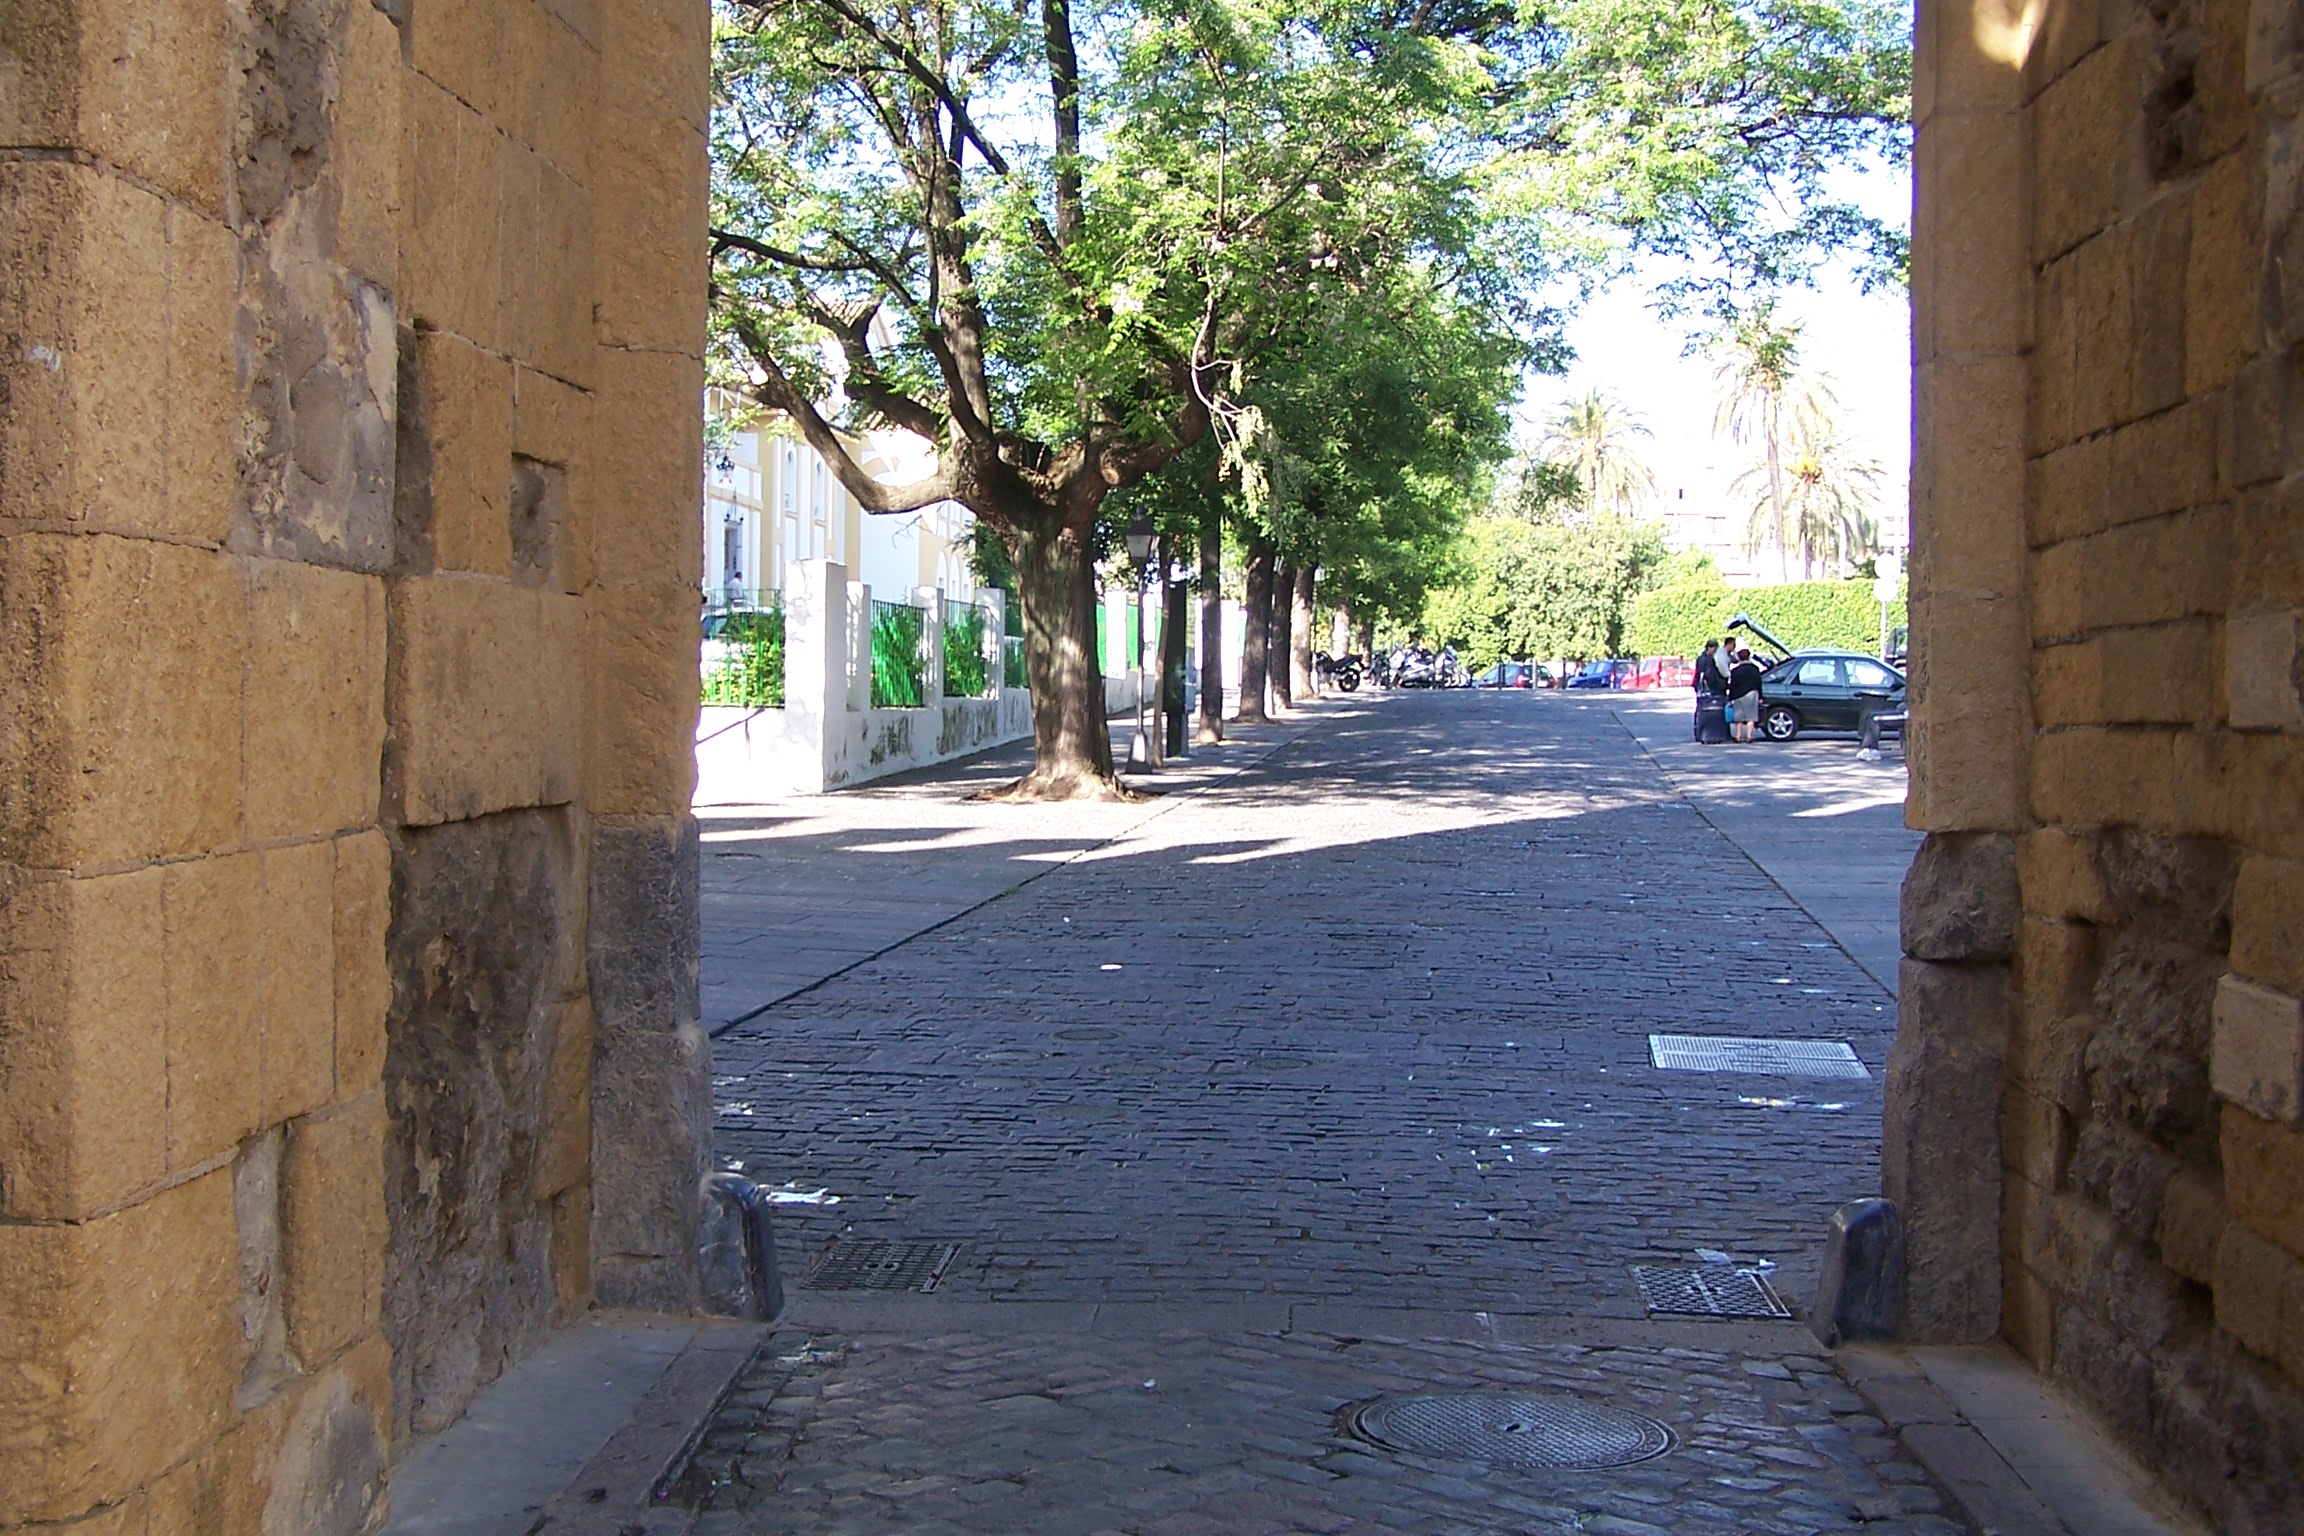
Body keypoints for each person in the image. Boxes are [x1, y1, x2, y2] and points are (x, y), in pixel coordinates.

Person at [1726, 645, 1765, 743]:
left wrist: (1730, 697)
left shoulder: (1735, 671)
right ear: (1748, 657)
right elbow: (1758, 682)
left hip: (1738, 695)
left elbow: (1732, 685)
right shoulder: (1755, 669)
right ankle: (1749, 736)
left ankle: (1738, 736)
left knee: (1739, 717)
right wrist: (1760, 696)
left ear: (1739, 657)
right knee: (1751, 716)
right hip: (1752, 693)